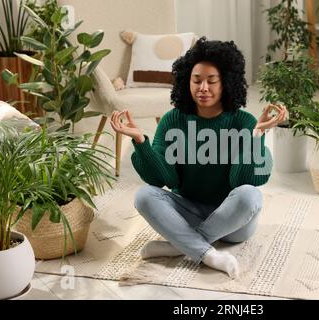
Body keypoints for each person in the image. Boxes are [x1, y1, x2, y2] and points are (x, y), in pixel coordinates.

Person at [110, 37, 287, 279]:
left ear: (226, 83)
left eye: (212, 81)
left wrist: (257, 135)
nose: (203, 87)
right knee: (144, 195)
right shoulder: (173, 120)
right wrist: (141, 141)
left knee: (250, 195)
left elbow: (244, 179)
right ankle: (210, 254)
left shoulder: (243, 122)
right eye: (197, 80)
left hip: (234, 222)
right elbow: (161, 178)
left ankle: (179, 245)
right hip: (189, 212)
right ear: (186, 82)